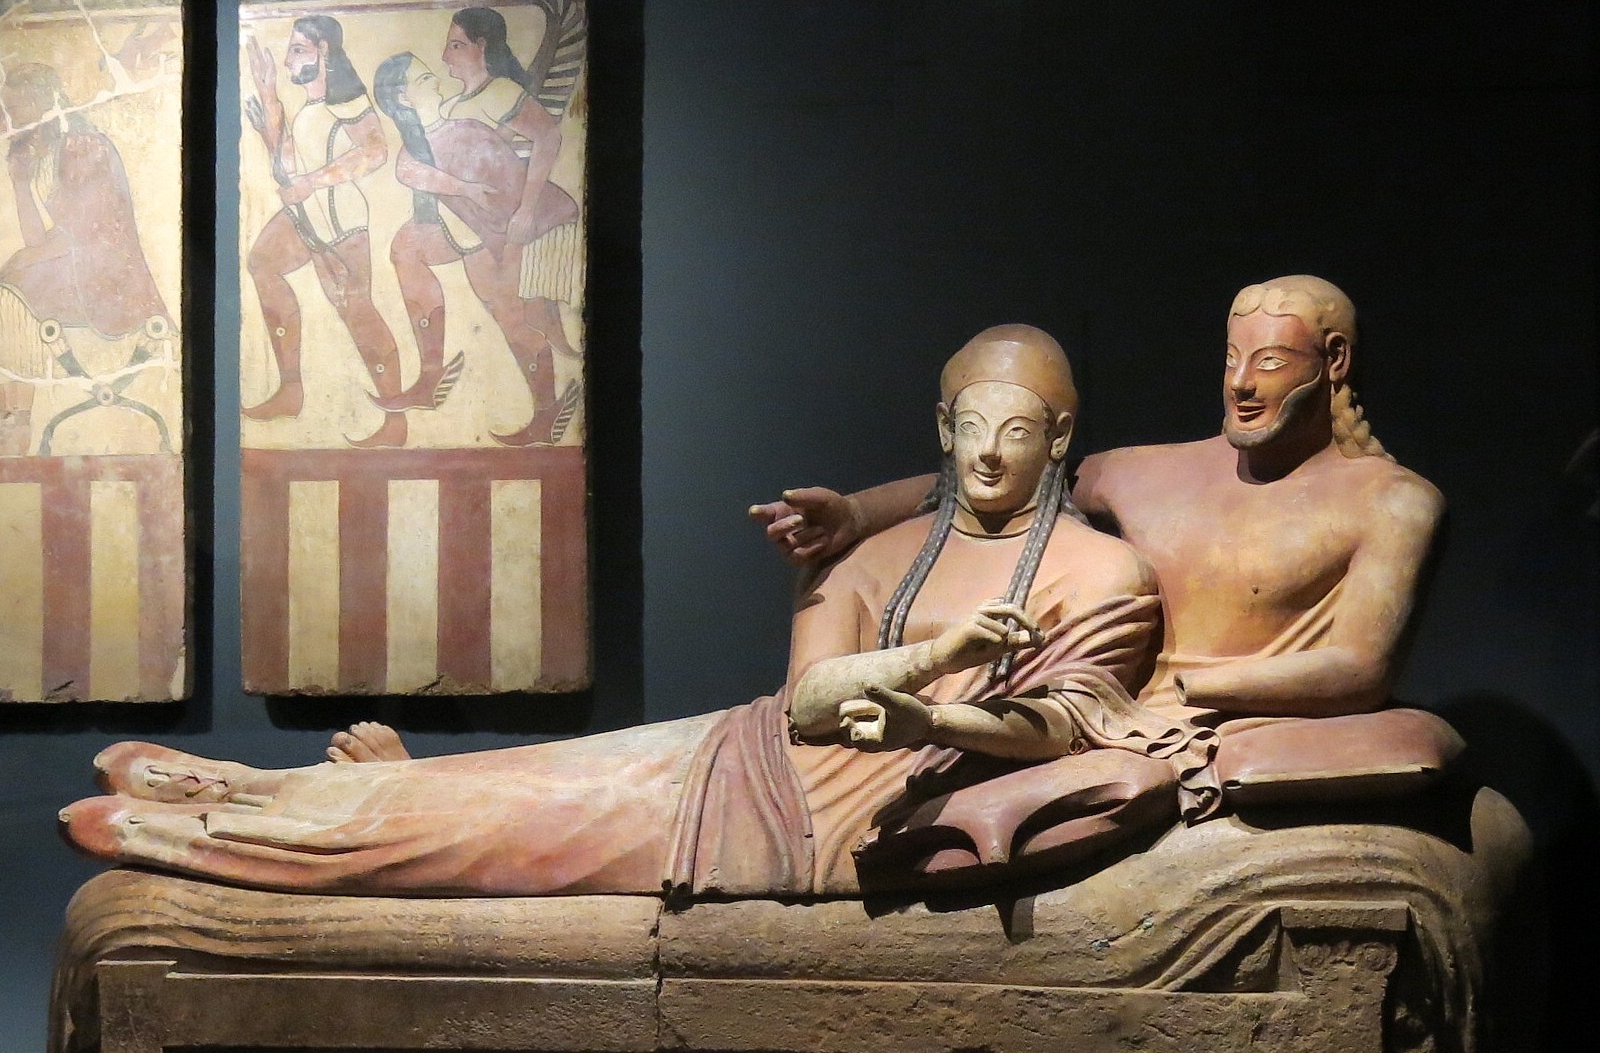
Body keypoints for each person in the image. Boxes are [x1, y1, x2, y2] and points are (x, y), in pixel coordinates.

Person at [60, 325, 1213, 896]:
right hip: (746, 755)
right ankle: (264, 788)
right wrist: (941, 657)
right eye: (970, 426)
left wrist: (933, 724)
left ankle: (202, 833)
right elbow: (810, 706)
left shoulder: (1099, 577)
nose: (988, 453)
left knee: (482, 832)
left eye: (1017, 432)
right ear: (940, 426)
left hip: (797, 834)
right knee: (512, 786)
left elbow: (1064, 727)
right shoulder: (881, 557)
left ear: (1057, 439)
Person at [754, 276, 1449, 803]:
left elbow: (1359, 670)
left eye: (1268, 362)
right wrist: (855, 514)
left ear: (1333, 362)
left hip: (1182, 718)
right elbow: (1004, 477)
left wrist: (1184, 688)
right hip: (1098, 712)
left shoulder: (1393, 503)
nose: (1240, 382)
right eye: (1232, 358)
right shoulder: (1148, 474)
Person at [368, 6, 580, 447]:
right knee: (408, 251)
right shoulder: (453, 106)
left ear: (482, 47)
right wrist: (459, 186)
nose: (445, 55)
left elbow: (547, 137)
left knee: (512, 316)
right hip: (477, 228)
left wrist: (526, 208)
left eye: (455, 44)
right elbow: (412, 164)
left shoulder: (499, 93)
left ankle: (548, 410)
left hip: (516, 222)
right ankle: (432, 375)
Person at [242, 16, 408, 447]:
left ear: (325, 53)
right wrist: (268, 98)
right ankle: (291, 390)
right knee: (262, 263)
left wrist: (311, 183)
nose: (287, 59)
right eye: (291, 50)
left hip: (340, 222)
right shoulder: (311, 111)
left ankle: (396, 423)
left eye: (298, 49)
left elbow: (375, 151)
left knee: (356, 311)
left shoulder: (348, 100)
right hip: (309, 216)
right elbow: (287, 167)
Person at [0, 63, 172, 456]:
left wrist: (23, 261)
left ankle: (17, 419)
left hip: (106, 277)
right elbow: (39, 239)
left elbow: (86, 235)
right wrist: (20, 184)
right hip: (72, 264)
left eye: (14, 108)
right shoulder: (41, 149)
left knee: (9, 294)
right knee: (11, 282)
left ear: (42, 103)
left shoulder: (81, 144)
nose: (7, 117)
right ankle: (11, 415)